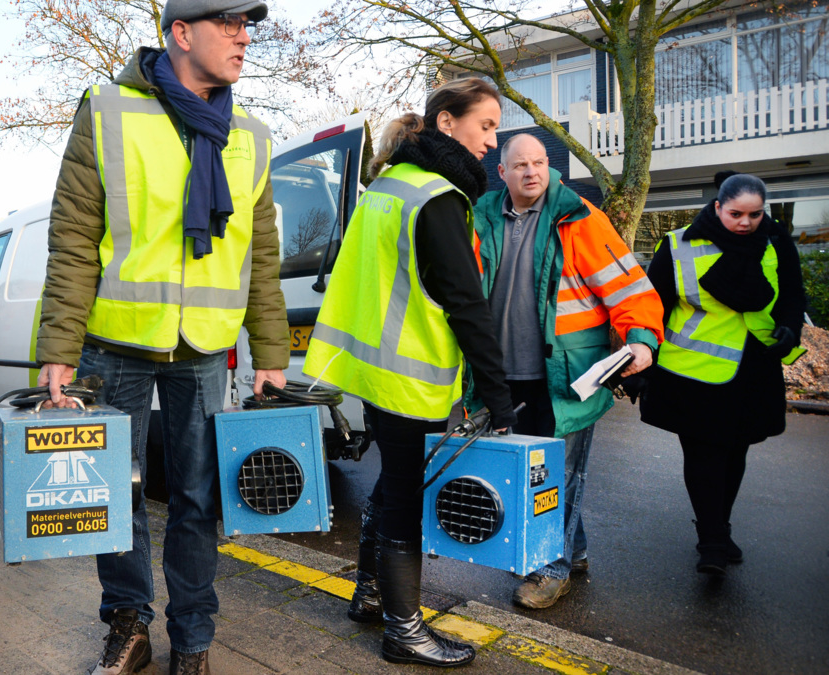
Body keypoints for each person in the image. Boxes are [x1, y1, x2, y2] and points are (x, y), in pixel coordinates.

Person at [33, 1, 287, 673]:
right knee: (113, 493)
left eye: (247, 25)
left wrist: (271, 353)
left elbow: (260, 254)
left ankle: (194, 639)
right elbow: (74, 237)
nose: (243, 37)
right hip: (115, 339)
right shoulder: (108, 110)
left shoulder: (252, 136)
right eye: (228, 23)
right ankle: (129, 626)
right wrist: (59, 349)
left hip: (203, 346)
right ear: (180, 33)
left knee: (198, 498)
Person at [304, 78, 517, 668]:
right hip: (408, 380)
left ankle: (371, 594)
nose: (492, 142)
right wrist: (497, 395)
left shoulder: (389, 185)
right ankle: (404, 631)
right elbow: (466, 304)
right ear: (447, 122)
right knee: (403, 499)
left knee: (392, 484)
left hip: (373, 372)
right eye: (486, 126)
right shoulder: (438, 197)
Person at [469, 134, 664, 609]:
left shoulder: (579, 218)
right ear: (502, 172)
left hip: (565, 378)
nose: (531, 171)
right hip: (501, 376)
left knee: (555, 477)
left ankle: (550, 569)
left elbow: (628, 285)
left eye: (538, 162)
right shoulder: (480, 218)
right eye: (520, 165)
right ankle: (571, 552)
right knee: (532, 473)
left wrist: (641, 338)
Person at [640, 172, 805, 575]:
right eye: (736, 214)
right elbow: (652, 306)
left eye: (754, 214)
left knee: (735, 453)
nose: (746, 223)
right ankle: (711, 540)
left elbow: (792, 293)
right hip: (692, 371)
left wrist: (789, 328)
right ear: (717, 207)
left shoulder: (777, 241)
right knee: (704, 455)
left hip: (754, 367)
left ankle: (720, 527)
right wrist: (639, 359)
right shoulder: (679, 243)